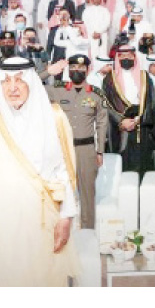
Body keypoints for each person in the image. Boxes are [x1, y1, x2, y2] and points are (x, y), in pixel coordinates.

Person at [0, 57, 80, 286]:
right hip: (0, 221)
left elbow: (64, 171)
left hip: (42, 221)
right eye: (6, 81)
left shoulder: (54, 117)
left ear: (32, 82)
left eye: (19, 80)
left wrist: (66, 218)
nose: (12, 88)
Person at [45, 54, 109, 230]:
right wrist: (48, 72)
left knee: (87, 195)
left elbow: (102, 123)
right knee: (59, 192)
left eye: (81, 68)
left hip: (86, 150)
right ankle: (58, 234)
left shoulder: (96, 94)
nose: (76, 71)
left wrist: (100, 151)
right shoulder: (57, 89)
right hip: (62, 150)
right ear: (68, 70)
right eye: (73, 68)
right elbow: (31, 85)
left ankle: (88, 234)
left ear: (88, 70)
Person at [101, 45, 155, 179]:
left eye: (129, 55)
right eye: (122, 56)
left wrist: (140, 119)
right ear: (118, 58)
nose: (126, 58)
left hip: (143, 128)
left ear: (134, 57)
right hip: (121, 131)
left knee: (144, 168)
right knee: (123, 170)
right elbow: (106, 105)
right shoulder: (109, 79)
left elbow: (152, 103)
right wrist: (121, 122)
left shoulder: (144, 77)